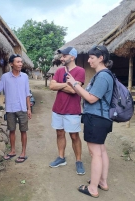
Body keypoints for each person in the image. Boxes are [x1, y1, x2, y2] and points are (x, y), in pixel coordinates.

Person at [66, 45, 114, 198]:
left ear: (101, 58)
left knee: (95, 153)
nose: (89, 60)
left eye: (92, 58)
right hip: (102, 118)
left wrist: (74, 84)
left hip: (96, 119)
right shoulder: (106, 75)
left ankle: (93, 188)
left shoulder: (103, 76)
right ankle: (102, 181)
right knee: (101, 151)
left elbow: (91, 98)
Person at [49, 47, 86, 175]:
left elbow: (74, 90)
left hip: (72, 110)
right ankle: (61, 157)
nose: (62, 58)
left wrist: (62, 85)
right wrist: (68, 84)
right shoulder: (59, 70)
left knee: (74, 135)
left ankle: (79, 161)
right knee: (59, 133)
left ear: (72, 57)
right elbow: (51, 86)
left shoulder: (80, 71)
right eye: (62, 56)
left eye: (64, 56)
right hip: (57, 109)